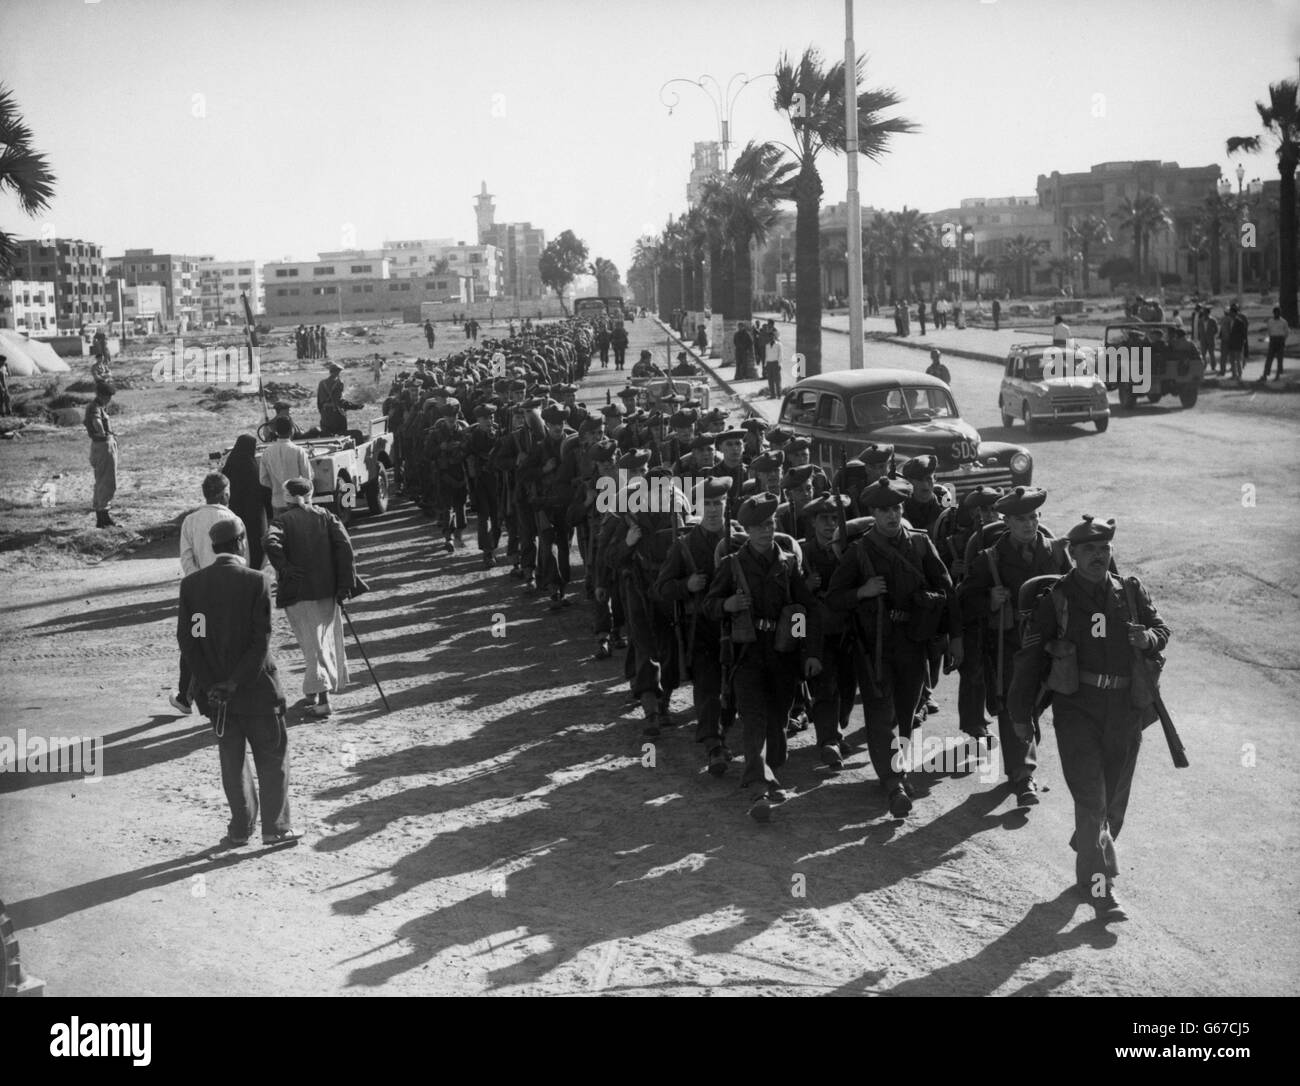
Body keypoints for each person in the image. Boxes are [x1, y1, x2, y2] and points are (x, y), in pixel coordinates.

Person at [1008, 515, 1170, 918]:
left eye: (1104, 550)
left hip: (1126, 710)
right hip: (1077, 710)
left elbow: (1161, 629)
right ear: (1073, 555)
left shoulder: (1129, 591)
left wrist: (1148, 638)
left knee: (1113, 803)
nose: (1099, 557)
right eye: (1089, 551)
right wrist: (1019, 714)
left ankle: (1089, 841)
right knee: (1092, 799)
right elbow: (1029, 660)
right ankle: (1099, 890)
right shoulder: (1057, 599)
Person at [826, 477, 963, 818]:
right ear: (872, 512)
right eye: (884, 510)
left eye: (897, 508)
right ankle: (893, 781)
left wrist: (954, 637)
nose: (891, 515)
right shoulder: (859, 551)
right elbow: (833, 599)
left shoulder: (919, 545)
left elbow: (947, 590)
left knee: (905, 712)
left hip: (913, 641)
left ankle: (895, 768)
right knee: (879, 712)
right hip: (874, 645)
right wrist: (862, 591)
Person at [177, 517, 298, 848]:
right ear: (242, 542)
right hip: (257, 691)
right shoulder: (256, 581)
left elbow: (189, 643)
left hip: (216, 698)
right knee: (272, 759)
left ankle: (240, 829)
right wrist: (235, 681)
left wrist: (212, 684)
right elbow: (260, 643)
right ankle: (276, 828)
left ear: (215, 548)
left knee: (232, 763)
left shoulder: (191, 586)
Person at [704, 492, 823, 822]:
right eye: (758, 526)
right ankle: (758, 785)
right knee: (754, 719)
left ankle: (770, 771)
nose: (765, 531)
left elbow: (806, 609)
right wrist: (726, 606)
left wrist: (806, 650)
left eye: (770, 524)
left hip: (782, 655)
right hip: (747, 655)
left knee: (777, 721)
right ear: (747, 530)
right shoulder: (732, 566)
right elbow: (709, 607)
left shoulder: (787, 565)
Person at [957, 486, 1071, 806]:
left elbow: (1077, 591)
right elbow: (964, 601)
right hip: (1010, 648)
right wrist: (989, 601)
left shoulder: (1057, 553)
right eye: (1020, 519)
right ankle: (1023, 776)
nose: (1028, 525)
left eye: (1033, 517)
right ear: (1006, 521)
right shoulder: (989, 558)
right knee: (1013, 706)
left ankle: (1026, 742)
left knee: (1035, 705)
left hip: (1050, 648)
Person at [263, 478, 357, 718]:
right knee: (322, 640)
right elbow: (345, 547)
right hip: (327, 590)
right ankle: (313, 692)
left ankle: (323, 699)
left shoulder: (282, 521)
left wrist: (283, 568)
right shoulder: (326, 516)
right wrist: (345, 584)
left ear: (286, 497)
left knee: (311, 644)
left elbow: (269, 541)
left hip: (298, 593)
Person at [171, 471, 243, 715]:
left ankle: (185, 696)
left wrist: (197, 584)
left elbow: (186, 556)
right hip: (230, 595)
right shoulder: (234, 520)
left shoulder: (190, 521)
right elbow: (243, 558)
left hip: (199, 598)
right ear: (224, 493)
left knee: (194, 642)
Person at [221, 434, 272, 570]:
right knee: (256, 543)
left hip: (235, 511)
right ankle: (254, 570)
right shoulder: (253, 467)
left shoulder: (230, 465)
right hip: (255, 513)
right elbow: (263, 488)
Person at [259, 416, 312, 517]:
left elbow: (263, 479)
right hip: (297, 502)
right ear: (291, 430)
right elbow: (307, 477)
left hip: (277, 502)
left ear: (276, 432)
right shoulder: (298, 451)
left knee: (281, 530)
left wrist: (276, 487)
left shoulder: (267, 452)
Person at [84, 381, 119, 528]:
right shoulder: (95, 407)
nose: (110, 399)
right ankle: (103, 518)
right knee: (107, 482)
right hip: (103, 446)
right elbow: (96, 422)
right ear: (103, 395)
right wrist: (103, 433)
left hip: (101, 445)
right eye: (108, 396)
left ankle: (102, 517)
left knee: (102, 482)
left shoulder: (97, 407)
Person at [317, 362, 357, 436]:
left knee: (327, 435)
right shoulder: (339, 383)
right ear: (336, 372)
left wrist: (323, 413)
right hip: (336, 415)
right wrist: (355, 406)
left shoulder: (322, 383)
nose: (339, 374)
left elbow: (319, 402)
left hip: (325, 414)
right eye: (339, 372)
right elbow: (339, 401)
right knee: (342, 435)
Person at [1260, 307, 1289, 381]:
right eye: (1275, 312)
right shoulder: (1270, 321)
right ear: (1273, 313)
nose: (1277, 314)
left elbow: (1286, 332)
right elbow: (1269, 331)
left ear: (1280, 313)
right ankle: (1265, 375)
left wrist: (1282, 340)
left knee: (1280, 359)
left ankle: (1277, 376)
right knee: (1269, 358)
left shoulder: (1284, 322)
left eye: (1278, 312)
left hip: (1280, 340)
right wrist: (1271, 339)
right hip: (1272, 340)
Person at [763, 322, 783, 400]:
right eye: (770, 337)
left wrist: (780, 364)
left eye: (772, 336)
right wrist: (765, 365)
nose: (771, 338)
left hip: (775, 363)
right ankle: (772, 395)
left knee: (777, 380)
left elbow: (780, 355)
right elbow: (766, 356)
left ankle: (779, 394)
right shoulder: (767, 345)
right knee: (770, 380)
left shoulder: (778, 345)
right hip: (769, 363)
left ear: (774, 337)